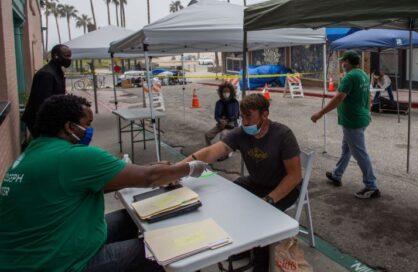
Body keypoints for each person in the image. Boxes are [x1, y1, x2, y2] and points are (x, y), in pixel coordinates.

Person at [0, 94, 207, 272]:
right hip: (60, 264)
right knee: (162, 250)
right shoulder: (73, 157)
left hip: (39, 250)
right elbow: (149, 177)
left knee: (130, 217)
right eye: (87, 125)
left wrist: (157, 169)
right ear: (69, 127)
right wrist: (188, 168)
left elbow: (105, 179)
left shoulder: (35, 151)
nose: (89, 131)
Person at [181, 93, 302, 272]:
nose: (244, 122)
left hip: (283, 188)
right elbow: (210, 153)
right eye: (242, 116)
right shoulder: (240, 133)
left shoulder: (283, 135)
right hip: (256, 182)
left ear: (265, 115)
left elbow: (294, 176)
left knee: (261, 219)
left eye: (249, 117)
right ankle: (244, 246)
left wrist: (269, 199)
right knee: (229, 197)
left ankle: (260, 262)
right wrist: (176, 169)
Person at [311, 50, 380, 199]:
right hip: (360, 118)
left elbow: (338, 98)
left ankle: (371, 186)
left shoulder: (349, 77)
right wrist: (368, 112)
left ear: (348, 62)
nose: (342, 64)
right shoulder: (362, 74)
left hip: (353, 121)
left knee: (359, 153)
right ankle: (337, 174)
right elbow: (367, 96)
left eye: (344, 61)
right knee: (347, 149)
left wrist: (320, 113)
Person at [22, 44, 71, 136]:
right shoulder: (46, 74)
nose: (69, 59)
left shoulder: (57, 71)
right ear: (56, 56)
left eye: (70, 56)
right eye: (67, 56)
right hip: (40, 123)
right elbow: (42, 103)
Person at [205, 81, 240, 147]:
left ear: (231, 92)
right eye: (224, 92)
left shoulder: (235, 102)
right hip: (221, 124)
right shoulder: (218, 103)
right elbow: (216, 116)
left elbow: (236, 116)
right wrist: (220, 121)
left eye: (227, 92)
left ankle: (225, 152)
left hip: (231, 125)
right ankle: (209, 148)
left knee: (223, 135)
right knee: (207, 135)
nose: (226, 93)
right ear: (221, 92)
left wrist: (226, 121)